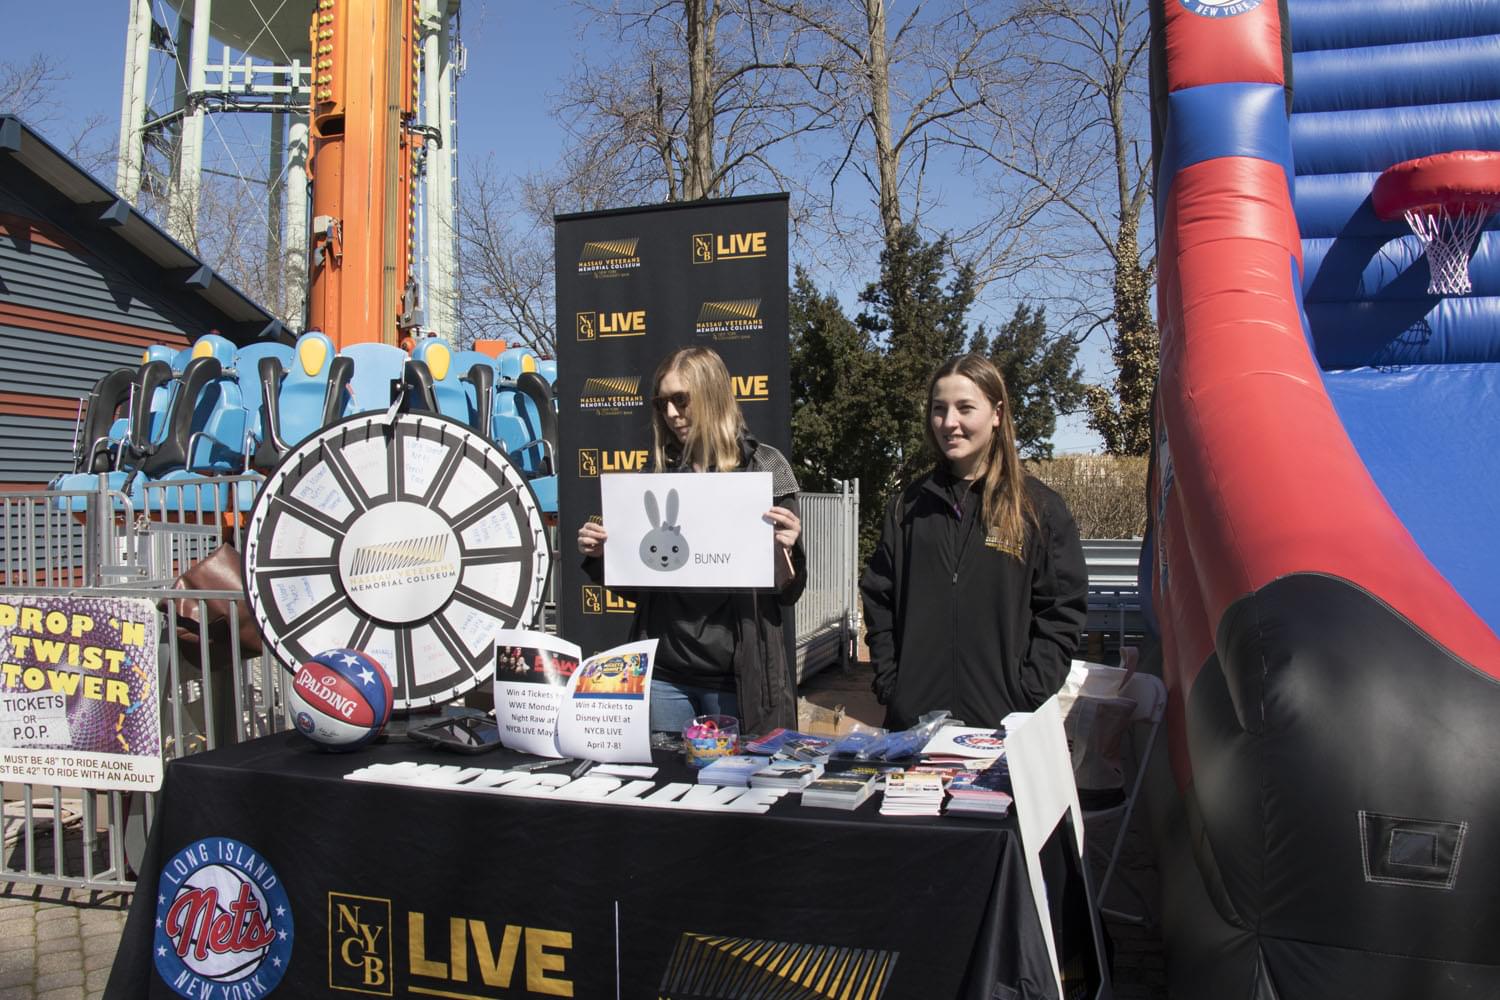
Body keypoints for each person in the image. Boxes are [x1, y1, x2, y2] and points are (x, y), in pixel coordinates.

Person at [577, 346, 806, 735]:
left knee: (735, 774)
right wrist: (604, 555)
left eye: (681, 400)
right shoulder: (656, 474)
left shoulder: (765, 467)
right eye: (662, 403)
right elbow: (640, 588)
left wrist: (784, 550)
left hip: (737, 678)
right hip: (665, 675)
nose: (671, 413)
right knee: (665, 773)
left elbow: (788, 592)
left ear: (711, 395)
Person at [860, 353, 1087, 731]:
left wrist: (1029, 693)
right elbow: (879, 598)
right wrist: (892, 685)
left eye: (965, 408)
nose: (949, 422)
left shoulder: (1038, 509)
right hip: (913, 727)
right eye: (939, 409)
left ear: (997, 413)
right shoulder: (907, 507)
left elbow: (1062, 611)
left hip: (1004, 728)